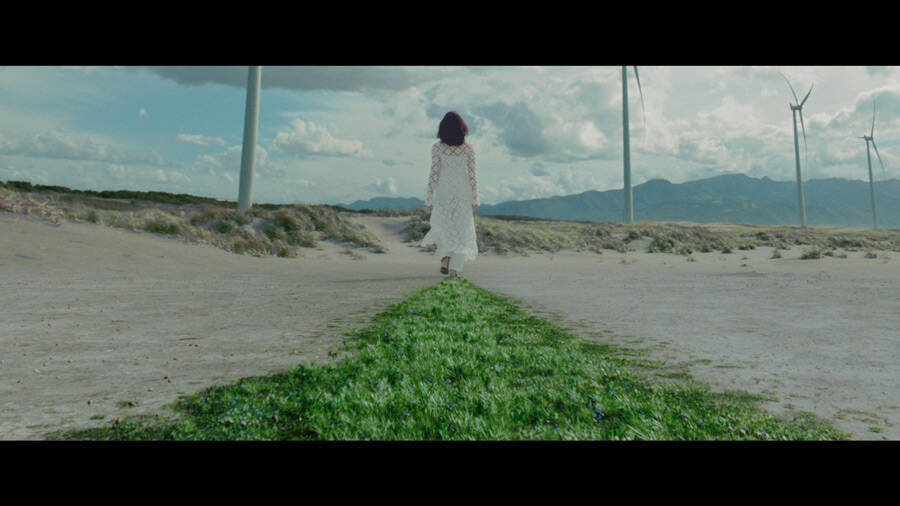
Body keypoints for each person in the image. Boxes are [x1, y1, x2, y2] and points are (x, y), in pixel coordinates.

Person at [421, 111, 479, 277]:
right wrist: (475, 198)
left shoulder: (437, 148)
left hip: (443, 192)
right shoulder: (468, 149)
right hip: (463, 192)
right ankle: (455, 268)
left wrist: (429, 197)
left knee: (444, 226)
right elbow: (472, 175)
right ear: (462, 129)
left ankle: (445, 258)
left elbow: (434, 173)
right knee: (462, 229)